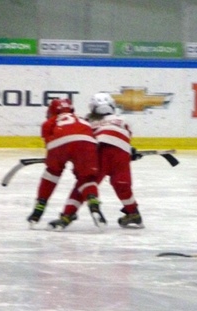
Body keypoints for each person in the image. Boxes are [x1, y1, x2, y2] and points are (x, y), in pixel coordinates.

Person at [48, 93, 143, 230]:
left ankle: (67, 215)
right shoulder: (123, 120)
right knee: (122, 185)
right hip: (121, 152)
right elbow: (124, 138)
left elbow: (82, 140)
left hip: (99, 151)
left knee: (86, 183)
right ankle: (133, 213)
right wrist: (130, 152)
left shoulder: (87, 121)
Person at [27, 98, 106, 229]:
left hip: (60, 143)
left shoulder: (50, 122)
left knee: (52, 173)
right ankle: (94, 204)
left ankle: (39, 208)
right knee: (86, 178)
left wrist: (53, 160)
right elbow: (94, 136)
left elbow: (51, 144)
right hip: (87, 143)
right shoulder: (83, 120)